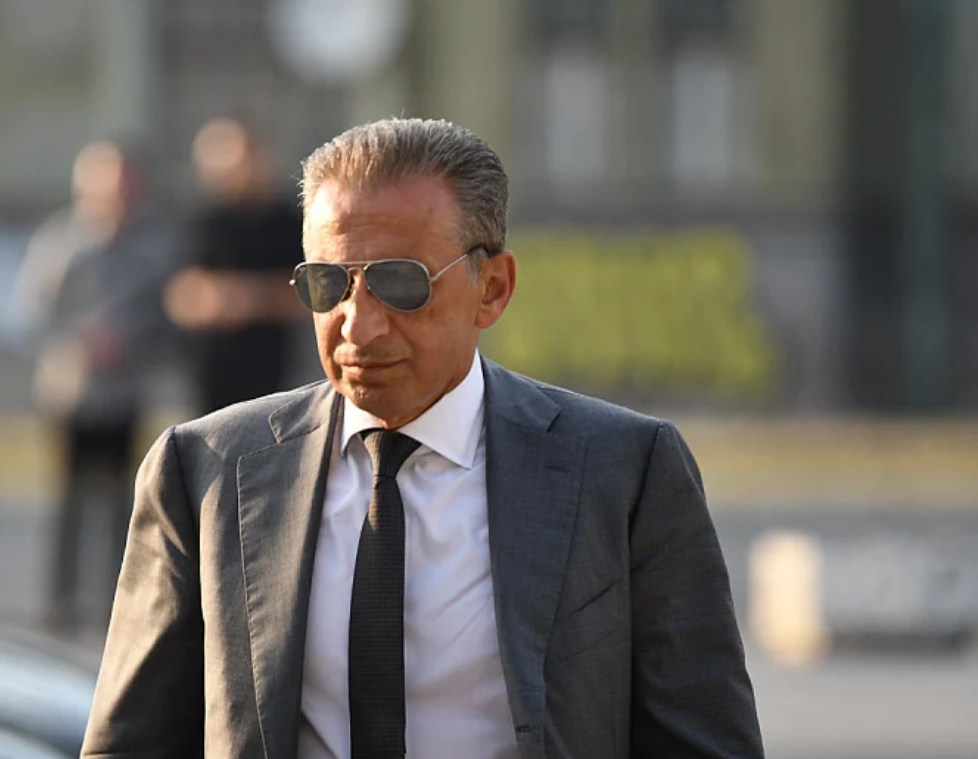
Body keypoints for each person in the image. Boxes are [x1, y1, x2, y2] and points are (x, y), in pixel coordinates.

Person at [83, 119, 764, 758]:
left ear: (492, 288)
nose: (358, 326)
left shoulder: (625, 473)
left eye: (399, 283)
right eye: (328, 284)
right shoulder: (204, 470)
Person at [14, 139, 176, 629]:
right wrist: (78, 344)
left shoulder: (154, 249)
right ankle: (60, 599)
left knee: (125, 500)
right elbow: (32, 314)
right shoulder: (61, 243)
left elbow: (167, 317)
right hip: (71, 391)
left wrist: (129, 342)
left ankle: (115, 597)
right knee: (68, 500)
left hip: (124, 391)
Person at [164, 116, 306, 414]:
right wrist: (216, 300)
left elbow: (310, 294)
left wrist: (251, 298)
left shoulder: (288, 222)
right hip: (211, 380)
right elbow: (178, 296)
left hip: (277, 378)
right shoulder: (200, 222)